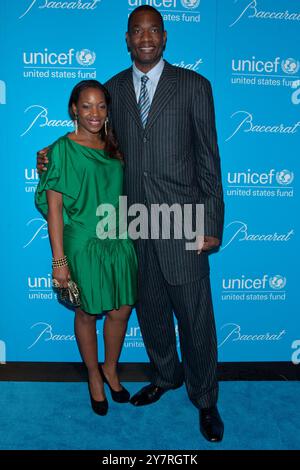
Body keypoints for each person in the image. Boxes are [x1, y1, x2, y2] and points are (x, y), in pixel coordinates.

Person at [37, 6, 224, 441]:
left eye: (153, 30)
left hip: (183, 220)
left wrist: (211, 220)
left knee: (195, 317)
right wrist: (46, 156)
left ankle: (206, 398)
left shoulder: (195, 86)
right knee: (152, 311)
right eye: (136, 31)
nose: (145, 37)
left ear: (164, 36)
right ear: (126, 39)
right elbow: (92, 140)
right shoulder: (114, 88)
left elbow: (209, 159)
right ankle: (165, 376)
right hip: (131, 223)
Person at [35, 80, 138, 416]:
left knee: (121, 310)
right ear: (73, 110)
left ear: (108, 111)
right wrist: (59, 260)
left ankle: (111, 367)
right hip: (83, 242)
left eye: (101, 106)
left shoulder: (114, 146)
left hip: (119, 239)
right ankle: (94, 374)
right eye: (87, 106)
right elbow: (54, 210)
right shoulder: (61, 149)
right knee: (87, 311)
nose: (95, 113)